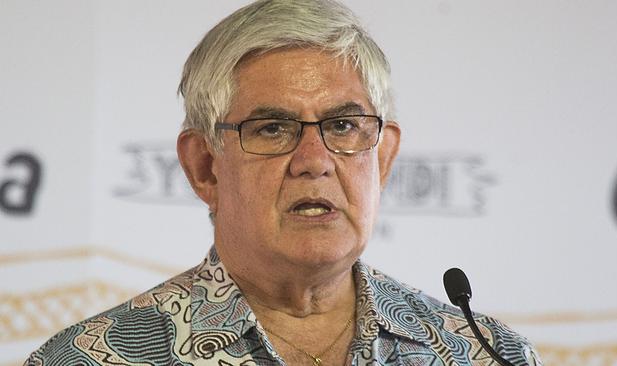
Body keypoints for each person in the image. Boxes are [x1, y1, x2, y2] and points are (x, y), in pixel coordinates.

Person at [26, 1, 542, 365]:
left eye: (343, 126)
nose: (313, 161)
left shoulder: (485, 354)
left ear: (382, 159)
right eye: (273, 128)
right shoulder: (91, 359)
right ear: (204, 167)